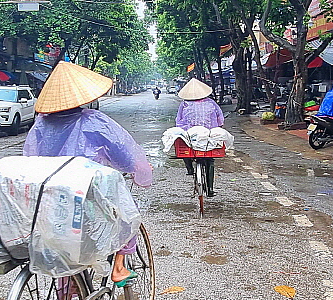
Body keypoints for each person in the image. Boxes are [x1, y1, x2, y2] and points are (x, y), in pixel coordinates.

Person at [24, 62, 152, 284]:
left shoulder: (40, 125)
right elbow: (125, 155)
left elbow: (30, 159)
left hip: (53, 196)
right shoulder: (93, 120)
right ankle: (119, 267)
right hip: (88, 193)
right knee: (128, 214)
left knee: (63, 248)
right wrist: (135, 169)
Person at [175, 78, 225, 197]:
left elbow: (178, 121)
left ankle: (190, 169)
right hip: (209, 135)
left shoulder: (185, 103)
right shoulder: (211, 103)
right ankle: (210, 189)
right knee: (210, 160)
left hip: (191, 135)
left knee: (181, 144)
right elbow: (220, 119)